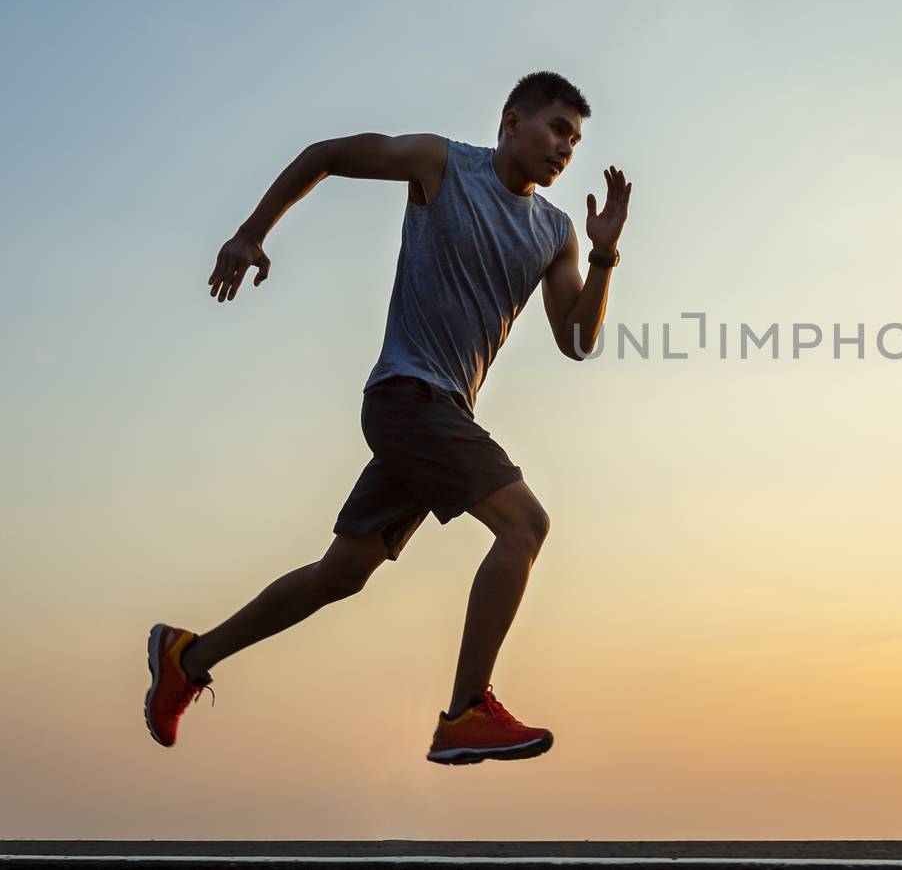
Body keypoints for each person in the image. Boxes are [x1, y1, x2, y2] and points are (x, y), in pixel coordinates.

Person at [144, 70, 630, 765]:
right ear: (512, 120)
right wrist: (250, 233)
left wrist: (606, 252)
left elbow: (577, 342)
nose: (565, 148)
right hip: (408, 398)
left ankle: (189, 657)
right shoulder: (440, 164)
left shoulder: (555, 232)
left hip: (438, 413)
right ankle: (466, 710)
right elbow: (324, 155)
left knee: (341, 573)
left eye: (576, 140)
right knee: (525, 523)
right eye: (556, 129)